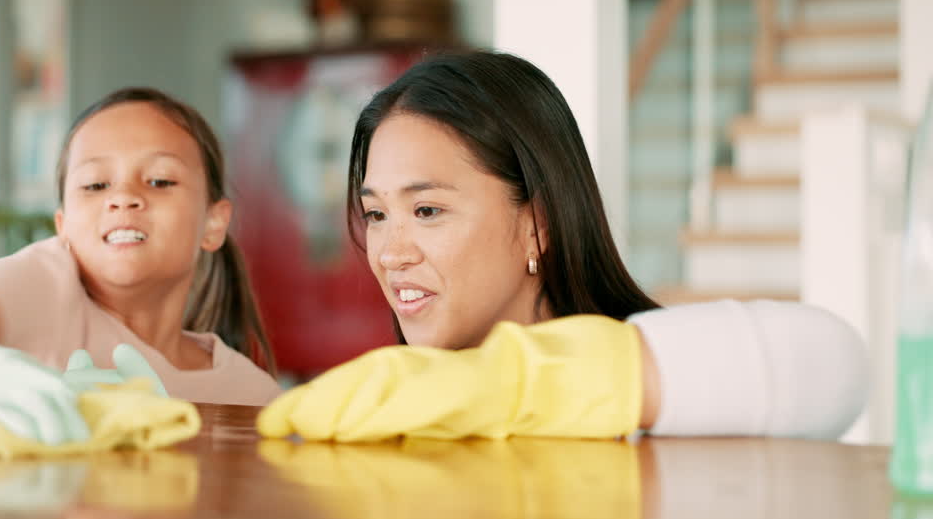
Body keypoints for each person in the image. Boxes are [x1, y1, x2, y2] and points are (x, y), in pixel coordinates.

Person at [259, 51, 866, 442]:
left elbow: (839, 366)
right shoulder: (406, 412)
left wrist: (515, 381)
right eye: (375, 214)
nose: (390, 252)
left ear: (538, 224)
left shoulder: (649, 394)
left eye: (427, 210)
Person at [0, 87, 282, 450]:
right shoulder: (44, 282)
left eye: (159, 180)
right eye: (95, 185)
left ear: (214, 222)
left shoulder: (251, 394)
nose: (123, 197)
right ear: (63, 227)